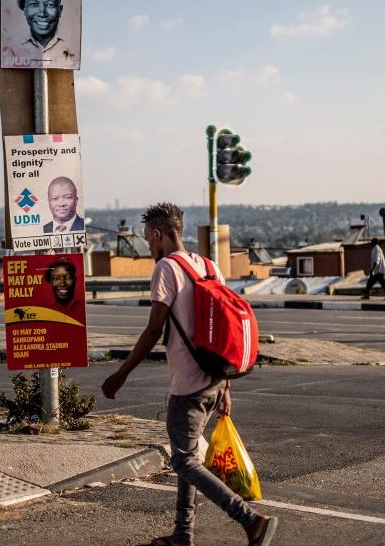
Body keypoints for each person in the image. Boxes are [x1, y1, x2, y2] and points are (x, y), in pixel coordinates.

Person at [102, 202, 277, 546]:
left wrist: (120, 374)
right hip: (213, 379)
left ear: (158, 234)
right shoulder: (209, 266)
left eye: (148, 240)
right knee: (189, 454)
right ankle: (183, 535)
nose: (149, 247)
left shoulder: (166, 269)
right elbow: (223, 333)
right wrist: (226, 388)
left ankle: (251, 520)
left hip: (188, 387)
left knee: (183, 461)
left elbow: (154, 330)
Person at [2, 0, 78, 68]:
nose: (42, 13)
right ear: (25, 9)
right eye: (34, 4)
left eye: (50, 5)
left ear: (60, 10)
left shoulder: (71, 44)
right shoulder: (11, 47)